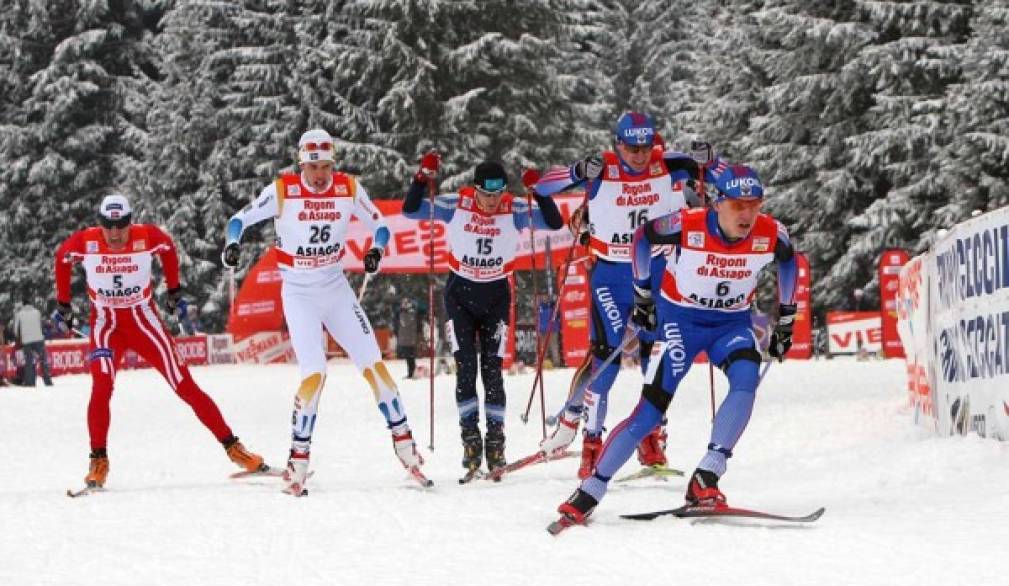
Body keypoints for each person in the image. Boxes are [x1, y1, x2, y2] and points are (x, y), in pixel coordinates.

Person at [554, 164, 798, 525]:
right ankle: (590, 490)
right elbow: (642, 238)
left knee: (746, 380)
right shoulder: (686, 224)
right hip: (680, 324)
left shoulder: (771, 233)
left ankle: (706, 477)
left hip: (730, 324)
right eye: (737, 205)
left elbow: (789, 261)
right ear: (718, 203)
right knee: (649, 413)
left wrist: (787, 318)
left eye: (754, 204)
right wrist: (642, 296)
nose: (746, 214)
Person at [222, 128, 428, 495]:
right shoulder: (283, 190)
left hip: (335, 288)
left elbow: (380, 225)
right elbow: (239, 219)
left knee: (373, 364)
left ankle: (407, 449)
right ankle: (297, 463)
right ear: (302, 163)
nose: (320, 175)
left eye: (326, 166)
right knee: (314, 374)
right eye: (313, 167)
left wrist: (376, 250)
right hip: (299, 293)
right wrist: (233, 245)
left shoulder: (348, 188)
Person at [533, 112, 715, 478]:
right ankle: (591, 443)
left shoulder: (671, 164)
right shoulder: (604, 169)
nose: (640, 154)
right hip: (612, 276)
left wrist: (710, 161)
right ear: (618, 144)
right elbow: (542, 186)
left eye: (645, 146)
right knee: (606, 358)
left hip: (660, 274)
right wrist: (575, 172)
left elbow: (727, 183)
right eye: (632, 147)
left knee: (658, 355)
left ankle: (651, 438)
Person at [54, 194, 266, 490]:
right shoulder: (85, 242)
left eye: (121, 224)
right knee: (101, 387)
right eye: (108, 225)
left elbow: (168, 248)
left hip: (143, 322)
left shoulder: (146, 236)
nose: (115, 233)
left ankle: (234, 448)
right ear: (99, 223)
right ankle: (98, 460)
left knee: (185, 385)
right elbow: (62, 259)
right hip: (105, 324)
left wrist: (174, 290)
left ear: (131, 221)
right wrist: (63, 305)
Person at [402, 153, 564, 476]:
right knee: (465, 369)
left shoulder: (514, 209)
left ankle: (495, 441)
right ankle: (470, 439)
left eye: (498, 195)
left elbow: (554, 223)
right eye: (486, 195)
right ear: (475, 189)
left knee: (493, 371)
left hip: (496, 298)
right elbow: (410, 210)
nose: (492, 203)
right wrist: (422, 178)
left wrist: (541, 194)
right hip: (459, 295)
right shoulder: (456, 205)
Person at [12, 297, 53, 387]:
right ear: (30, 304)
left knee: (29, 362)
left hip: (27, 341)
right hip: (39, 339)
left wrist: (19, 338)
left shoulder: (19, 314)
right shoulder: (37, 312)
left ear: (23, 305)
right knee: (43, 361)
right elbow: (40, 325)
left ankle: (30, 382)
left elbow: (15, 330)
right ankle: (48, 381)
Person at [394, 298, 421, 378]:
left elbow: (404, 322)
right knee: (409, 358)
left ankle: (412, 373)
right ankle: (411, 373)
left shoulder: (408, 314)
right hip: (407, 339)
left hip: (408, 340)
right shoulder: (406, 314)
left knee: (410, 358)